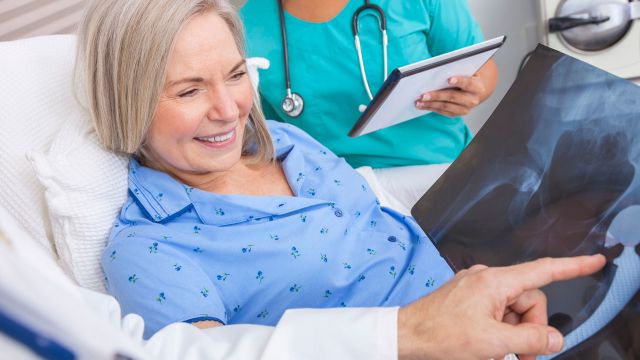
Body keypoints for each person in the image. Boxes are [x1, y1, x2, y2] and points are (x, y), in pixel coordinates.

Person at [76, 0, 605, 358]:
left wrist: (474, 297)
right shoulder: (150, 245)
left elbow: (385, 239)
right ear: (129, 100)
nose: (228, 109)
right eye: (189, 91)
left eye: (237, 75)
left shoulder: (289, 143)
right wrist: (416, 332)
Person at [239, 0, 498, 203]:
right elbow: (263, 136)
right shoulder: (245, 23)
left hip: (438, 173)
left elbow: (483, 68)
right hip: (337, 192)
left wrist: (474, 90)